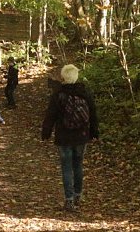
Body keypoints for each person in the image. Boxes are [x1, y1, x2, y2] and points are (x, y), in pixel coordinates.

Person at [41, 64, 99, 212]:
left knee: (66, 167)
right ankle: (78, 195)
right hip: (81, 136)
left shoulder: (58, 94)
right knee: (78, 165)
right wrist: (94, 132)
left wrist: (46, 132)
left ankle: (69, 200)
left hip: (64, 137)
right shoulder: (85, 92)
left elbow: (50, 115)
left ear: (63, 77)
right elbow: (93, 113)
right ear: (76, 76)